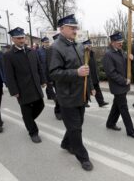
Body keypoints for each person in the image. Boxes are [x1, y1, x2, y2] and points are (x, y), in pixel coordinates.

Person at [49, 14, 95, 171]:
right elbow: (54, 73)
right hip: (67, 97)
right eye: (72, 28)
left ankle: (66, 143)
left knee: (77, 124)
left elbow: (86, 70)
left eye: (76, 27)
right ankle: (83, 157)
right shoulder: (55, 47)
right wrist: (76, 72)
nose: (75, 30)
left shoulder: (77, 45)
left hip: (80, 95)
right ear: (62, 29)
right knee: (76, 129)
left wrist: (90, 88)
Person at [3, 27, 46, 143]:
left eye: (23, 37)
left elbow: (39, 67)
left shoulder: (32, 51)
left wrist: (42, 80)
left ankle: (28, 120)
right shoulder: (9, 55)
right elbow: (9, 75)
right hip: (22, 89)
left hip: (35, 86)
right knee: (26, 111)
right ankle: (33, 132)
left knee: (41, 105)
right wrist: (14, 91)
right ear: (12, 39)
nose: (22, 40)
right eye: (18, 38)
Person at [102, 32, 134, 139]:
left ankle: (110, 123)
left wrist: (131, 59)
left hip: (123, 84)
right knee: (123, 107)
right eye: (118, 42)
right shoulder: (108, 55)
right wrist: (124, 81)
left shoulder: (122, 52)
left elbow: (127, 66)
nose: (120, 44)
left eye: (121, 42)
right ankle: (131, 130)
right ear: (112, 43)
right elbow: (111, 73)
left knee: (117, 105)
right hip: (117, 86)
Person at [37, 36, 61, 120]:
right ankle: (58, 110)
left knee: (61, 94)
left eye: (48, 42)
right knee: (56, 94)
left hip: (61, 75)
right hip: (49, 74)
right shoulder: (45, 51)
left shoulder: (65, 49)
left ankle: (63, 109)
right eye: (45, 42)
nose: (47, 43)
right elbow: (42, 65)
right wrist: (43, 79)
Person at [80, 39, 109, 107]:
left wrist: (97, 74)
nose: (90, 47)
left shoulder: (92, 53)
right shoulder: (83, 54)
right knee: (86, 88)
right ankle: (84, 102)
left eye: (90, 45)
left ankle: (101, 102)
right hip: (87, 74)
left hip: (94, 74)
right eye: (88, 45)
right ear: (84, 46)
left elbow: (94, 65)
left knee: (97, 88)